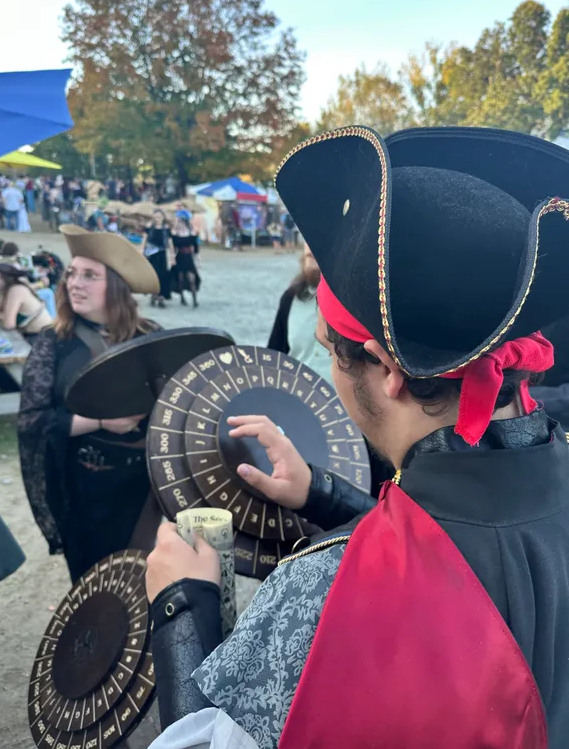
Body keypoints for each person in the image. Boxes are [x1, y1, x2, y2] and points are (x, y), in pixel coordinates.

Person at [144, 126, 569, 749]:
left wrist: (182, 605)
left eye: (330, 351)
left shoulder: (320, 598)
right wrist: (322, 494)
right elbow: (478, 557)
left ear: (387, 370)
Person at [17, 225, 162, 583]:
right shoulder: (54, 342)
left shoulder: (150, 337)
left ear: (116, 284)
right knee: (95, 590)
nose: (73, 283)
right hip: (85, 493)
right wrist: (98, 422)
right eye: (71, 274)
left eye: (89, 275)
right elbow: (33, 422)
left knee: (147, 585)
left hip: (144, 491)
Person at [268, 242, 331, 382]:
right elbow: (273, 359)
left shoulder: (357, 306)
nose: (310, 244)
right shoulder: (290, 298)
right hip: (294, 400)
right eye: (306, 236)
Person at [0, 259, 52, 343]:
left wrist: (0, 315)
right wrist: (1, 315)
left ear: (7, 278)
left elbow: (9, 324)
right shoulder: (6, 290)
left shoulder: (16, 290)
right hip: (33, 334)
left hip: (42, 337)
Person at [141, 209, 172, 306]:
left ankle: (161, 297)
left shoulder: (166, 228)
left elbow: (170, 242)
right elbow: (144, 239)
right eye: (155, 217)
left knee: (162, 275)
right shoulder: (150, 227)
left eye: (159, 217)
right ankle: (154, 294)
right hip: (151, 254)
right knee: (153, 275)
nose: (157, 219)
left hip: (162, 255)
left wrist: (172, 254)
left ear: (163, 217)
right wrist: (141, 250)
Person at [170, 211, 200, 308]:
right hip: (180, 256)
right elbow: (173, 247)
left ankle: (195, 300)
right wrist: (172, 257)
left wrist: (197, 259)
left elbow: (195, 248)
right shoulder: (175, 234)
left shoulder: (191, 233)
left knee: (192, 279)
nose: (179, 222)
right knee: (181, 279)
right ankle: (182, 297)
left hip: (189, 257)